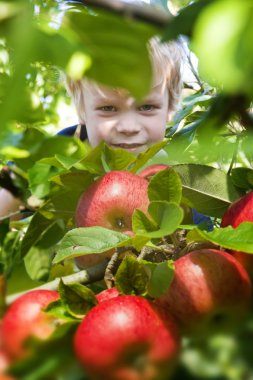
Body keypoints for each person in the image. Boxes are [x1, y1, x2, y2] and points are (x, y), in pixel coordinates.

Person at [0, 36, 183, 221]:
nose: (129, 127)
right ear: (82, 111)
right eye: (108, 108)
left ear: (170, 109)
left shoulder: (179, 183)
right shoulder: (52, 160)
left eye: (146, 107)